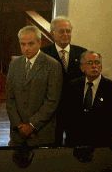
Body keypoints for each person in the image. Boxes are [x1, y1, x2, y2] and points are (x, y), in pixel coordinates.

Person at [6, 25, 62, 147]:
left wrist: (31, 125)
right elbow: (10, 99)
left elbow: (52, 101)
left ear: (39, 43)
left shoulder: (53, 65)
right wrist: (18, 125)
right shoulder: (14, 64)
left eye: (30, 44)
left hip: (41, 133)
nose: (26, 48)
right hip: (17, 134)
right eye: (23, 44)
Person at [64, 51, 112, 149]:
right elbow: (66, 113)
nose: (94, 66)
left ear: (101, 67)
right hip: (75, 140)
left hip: (101, 142)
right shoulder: (72, 86)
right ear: (82, 68)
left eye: (97, 62)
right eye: (90, 63)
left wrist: (100, 134)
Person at [41, 16, 87, 145]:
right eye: (61, 31)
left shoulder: (83, 53)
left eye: (68, 31)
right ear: (52, 33)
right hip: (52, 110)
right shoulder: (43, 55)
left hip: (75, 109)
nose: (66, 34)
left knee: (74, 144)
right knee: (53, 145)